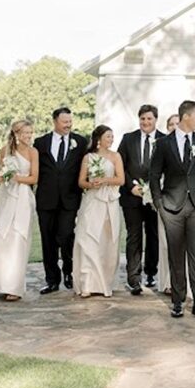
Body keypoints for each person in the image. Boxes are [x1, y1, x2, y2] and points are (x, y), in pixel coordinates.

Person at [149, 100, 195, 319]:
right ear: (186, 117)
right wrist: (158, 203)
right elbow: (154, 175)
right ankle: (178, 301)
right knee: (176, 254)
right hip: (171, 207)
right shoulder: (163, 143)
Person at [34, 107, 88, 293]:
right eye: (64, 121)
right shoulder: (40, 143)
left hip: (70, 199)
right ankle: (52, 280)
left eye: (70, 121)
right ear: (55, 121)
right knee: (48, 240)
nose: (68, 125)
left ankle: (69, 272)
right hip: (46, 200)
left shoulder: (80, 142)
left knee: (66, 235)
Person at [118, 104, 165, 294]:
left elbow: (168, 168)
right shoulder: (128, 139)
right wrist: (131, 187)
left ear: (155, 120)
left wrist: (156, 190)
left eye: (149, 119)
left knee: (153, 235)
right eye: (143, 119)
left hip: (155, 199)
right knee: (134, 236)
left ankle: (151, 272)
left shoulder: (164, 140)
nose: (145, 122)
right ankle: (134, 278)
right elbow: (120, 165)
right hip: (132, 198)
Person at [73, 125, 125, 297]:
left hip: (109, 202)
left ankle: (104, 283)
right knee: (88, 238)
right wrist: (91, 184)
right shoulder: (89, 157)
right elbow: (81, 181)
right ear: (99, 139)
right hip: (92, 201)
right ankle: (87, 283)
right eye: (108, 136)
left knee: (107, 241)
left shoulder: (116, 156)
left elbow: (121, 180)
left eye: (112, 136)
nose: (111, 139)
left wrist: (105, 180)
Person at [0, 119, 38, 300]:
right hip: (6, 197)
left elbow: (34, 178)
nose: (28, 136)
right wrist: (3, 176)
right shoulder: (6, 150)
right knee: (3, 238)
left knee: (19, 238)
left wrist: (16, 177)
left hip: (23, 198)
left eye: (30, 133)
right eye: (25, 132)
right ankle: (2, 283)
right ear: (16, 134)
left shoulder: (33, 152)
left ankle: (15, 287)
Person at [157, 113, 179, 296]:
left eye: (176, 124)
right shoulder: (162, 146)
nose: (173, 127)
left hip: (187, 203)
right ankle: (167, 282)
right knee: (165, 244)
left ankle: (182, 282)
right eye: (170, 124)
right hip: (166, 201)